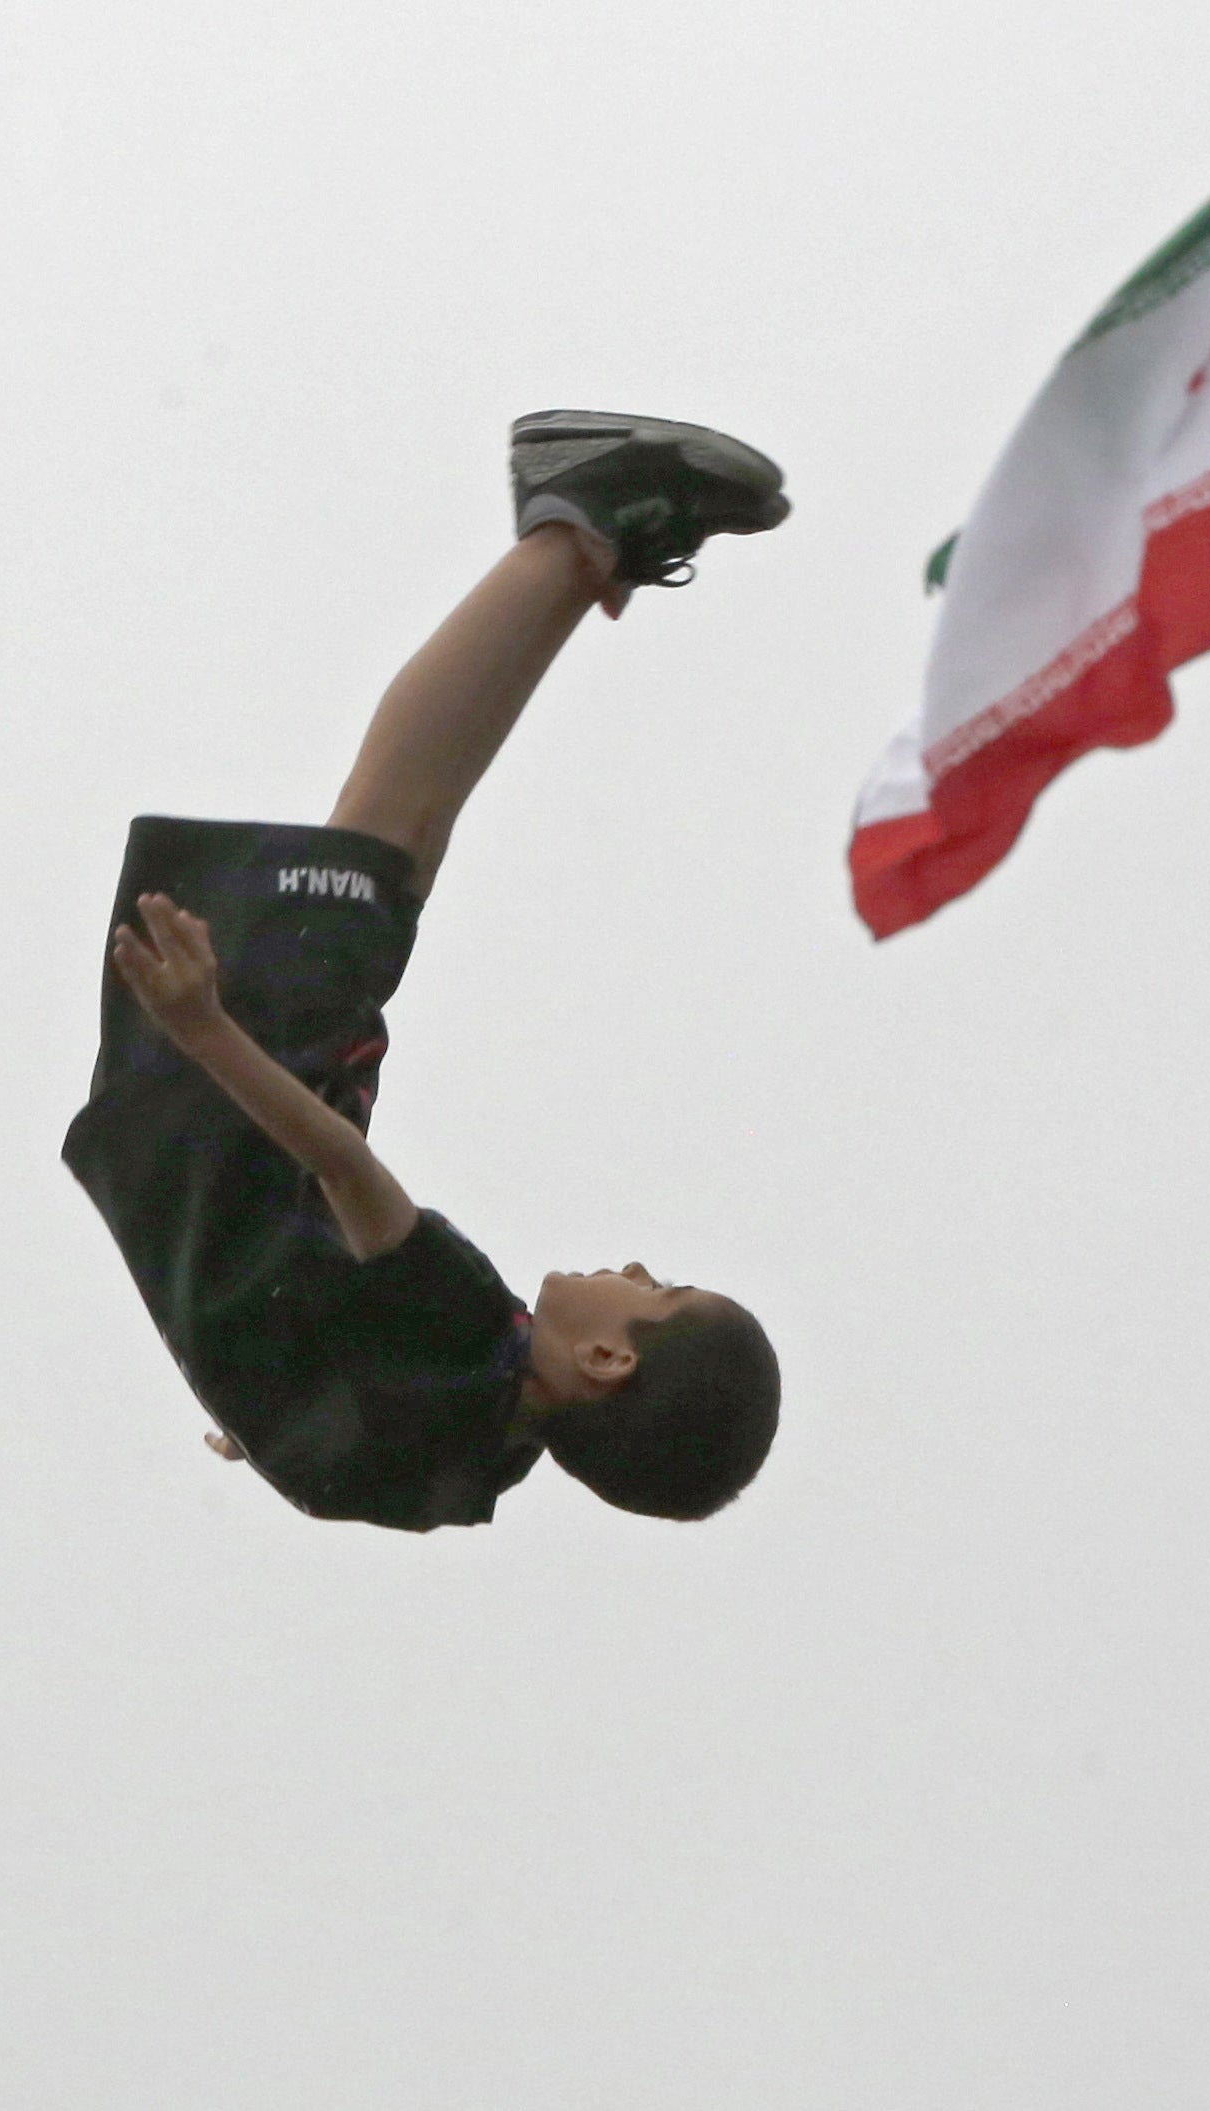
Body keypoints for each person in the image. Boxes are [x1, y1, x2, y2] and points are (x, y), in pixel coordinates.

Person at [63, 410, 791, 1527]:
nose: (641, 1269)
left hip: (227, 1108)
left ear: (605, 1359)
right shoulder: (471, 1453)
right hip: (199, 1161)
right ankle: (585, 539)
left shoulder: (462, 1329)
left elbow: (352, 1173)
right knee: (398, 848)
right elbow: (333, 1449)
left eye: (661, 1292)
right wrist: (262, 1412)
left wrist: (205, 1028)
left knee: (391, 829)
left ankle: (577, 521)